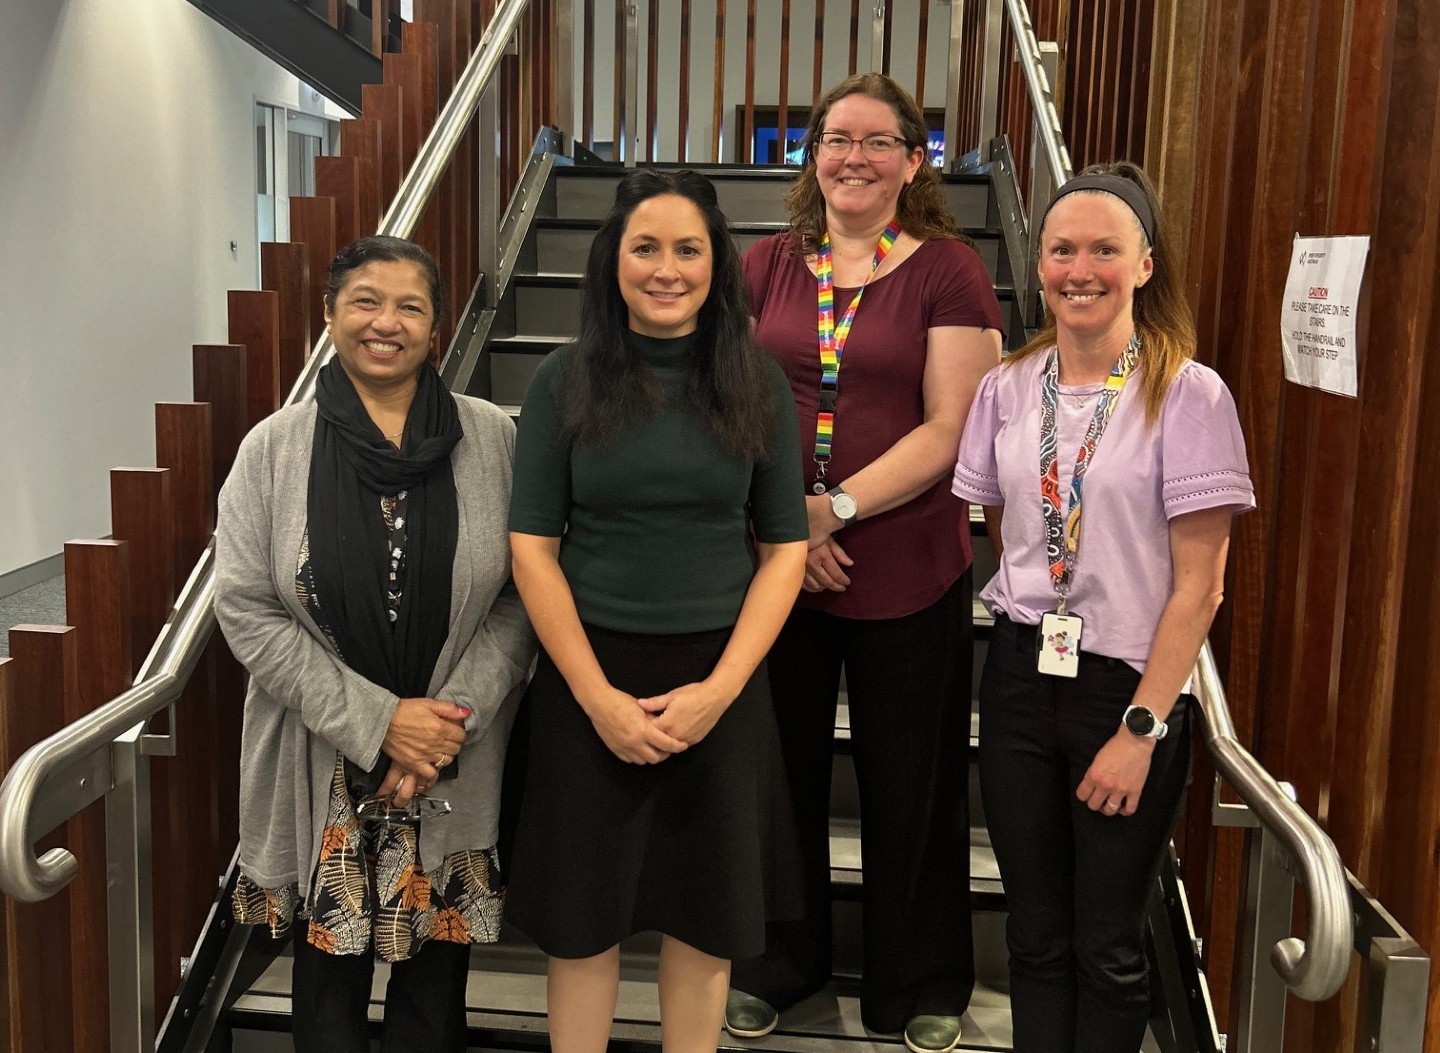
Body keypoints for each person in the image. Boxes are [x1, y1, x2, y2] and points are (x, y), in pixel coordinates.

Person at [726, 73, 1004, 1053]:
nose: (851, 156)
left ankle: (917, 984)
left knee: (911, 785)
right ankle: (775, 963)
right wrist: (779, 529)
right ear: (812, 153)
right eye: (834, 138)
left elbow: (952, 426)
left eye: (877, 140)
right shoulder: (764, 266)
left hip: (909, 563)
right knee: (777, 776)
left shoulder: (948, 271)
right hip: (779, 567)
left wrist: (830, 509)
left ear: (913, 161)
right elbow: (730, 406)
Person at [951, 162, 1255, 1052]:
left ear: (1146, 266)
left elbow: (1200, 585)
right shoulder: (1006, 386)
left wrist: (1141, 726)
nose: (1080, 269)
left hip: (1128, 687)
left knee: (1109, 941)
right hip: (1017, 678)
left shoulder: (1188, 393)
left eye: (1104, 251)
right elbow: (1013, 532)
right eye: (1062, 250)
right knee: (1034, 934)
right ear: (1039, 265)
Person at [504, 169, 809, 1053]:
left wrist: (719, 689)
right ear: (614, 261)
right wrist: (597, 696)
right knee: (583, 919)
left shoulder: (755, 382)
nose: (666, 268)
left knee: (706, 914)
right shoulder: (564, 380)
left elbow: (785, 549)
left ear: (718, 263)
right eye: (646, 247)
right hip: (585, 676)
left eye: (688, 249)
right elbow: (534, 548)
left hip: (719, 676)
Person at [215, 236, 535, 1053]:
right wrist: (379, 721)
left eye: (410, 306)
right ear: (330, 317)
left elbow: (519, 598)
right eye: (364, 301)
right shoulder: (272, 450)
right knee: (325, 994)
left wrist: (442, 725)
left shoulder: (494, 439)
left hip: (450, 759)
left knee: (435, 990)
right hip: (321, 761)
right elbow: (247, 608)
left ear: (436, 330)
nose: (384, 322)